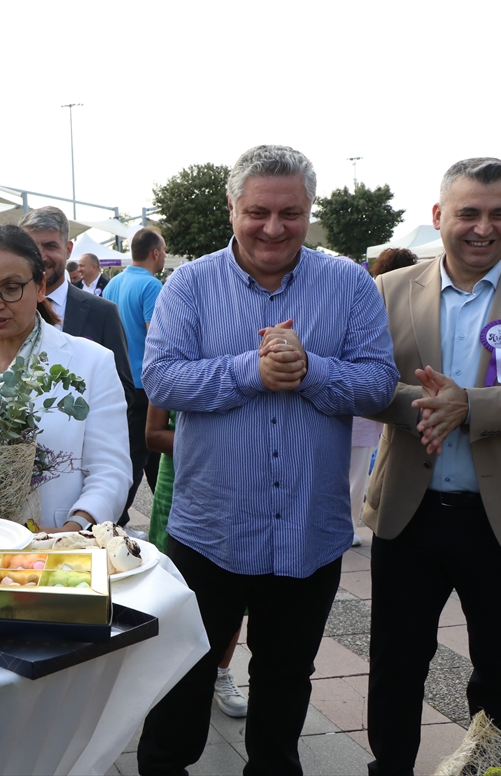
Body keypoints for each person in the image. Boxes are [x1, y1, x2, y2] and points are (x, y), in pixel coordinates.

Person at [136, 144, 398, 775]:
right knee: (181, 684)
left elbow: (380, 384)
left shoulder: (348, 284)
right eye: (258, 212)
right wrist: (251, 371)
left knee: (285, 689)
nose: (273, 228)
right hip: (211, 533)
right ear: (233, 207)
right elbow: (161, 379)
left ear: (310, 212)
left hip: (307, 534)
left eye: (291, 213)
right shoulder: (190, 286)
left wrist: (310, 369)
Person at [363, 157, 501, 776]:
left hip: (499, 521)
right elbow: (364, 384)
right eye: (468, 213)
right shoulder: (389, 291)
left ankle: (490, 766)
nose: (483, 227)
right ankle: (387, 768)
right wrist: (426, 403)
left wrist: (470, 406)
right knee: (396, 663)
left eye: (499, 213)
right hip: (409, 516)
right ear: (438, 217)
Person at [0, 224, 131, 530]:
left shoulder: (92, 362)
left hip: (59, 558)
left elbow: (110, 472)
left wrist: (71, 531)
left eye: (11, 288)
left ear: (41, 287)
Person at [19, 207, 139, 522]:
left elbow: (124, 392)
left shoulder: (101, 312)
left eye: (50, 246)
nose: (42, 256)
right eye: (33, 247)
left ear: (68, 249)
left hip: (89, 485)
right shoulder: (4, 318)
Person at [145, 404, 249, 719]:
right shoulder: (179, 359)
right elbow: (153, 434)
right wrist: (223, 447)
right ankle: (162, 672)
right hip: (183, 478)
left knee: (239, 576)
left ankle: (221, 671)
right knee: (173, 583)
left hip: (245, 483)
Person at [348, 248, 421, 548]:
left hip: (360, 400)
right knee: (357, 472)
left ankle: (347, 524)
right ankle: (350, 525)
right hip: (369, 403)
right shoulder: (386, 298)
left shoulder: (369, 296)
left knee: (344, 470)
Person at [105, 227, 168, 520]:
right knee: (136, 457)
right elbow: (158, 338)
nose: (164, 257)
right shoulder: (152, 286)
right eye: (164, 251)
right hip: (146, 386)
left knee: (147, 457)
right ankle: (113, 518)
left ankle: (166, 515)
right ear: (155, 253)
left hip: (117, 380)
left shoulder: (112, 285)